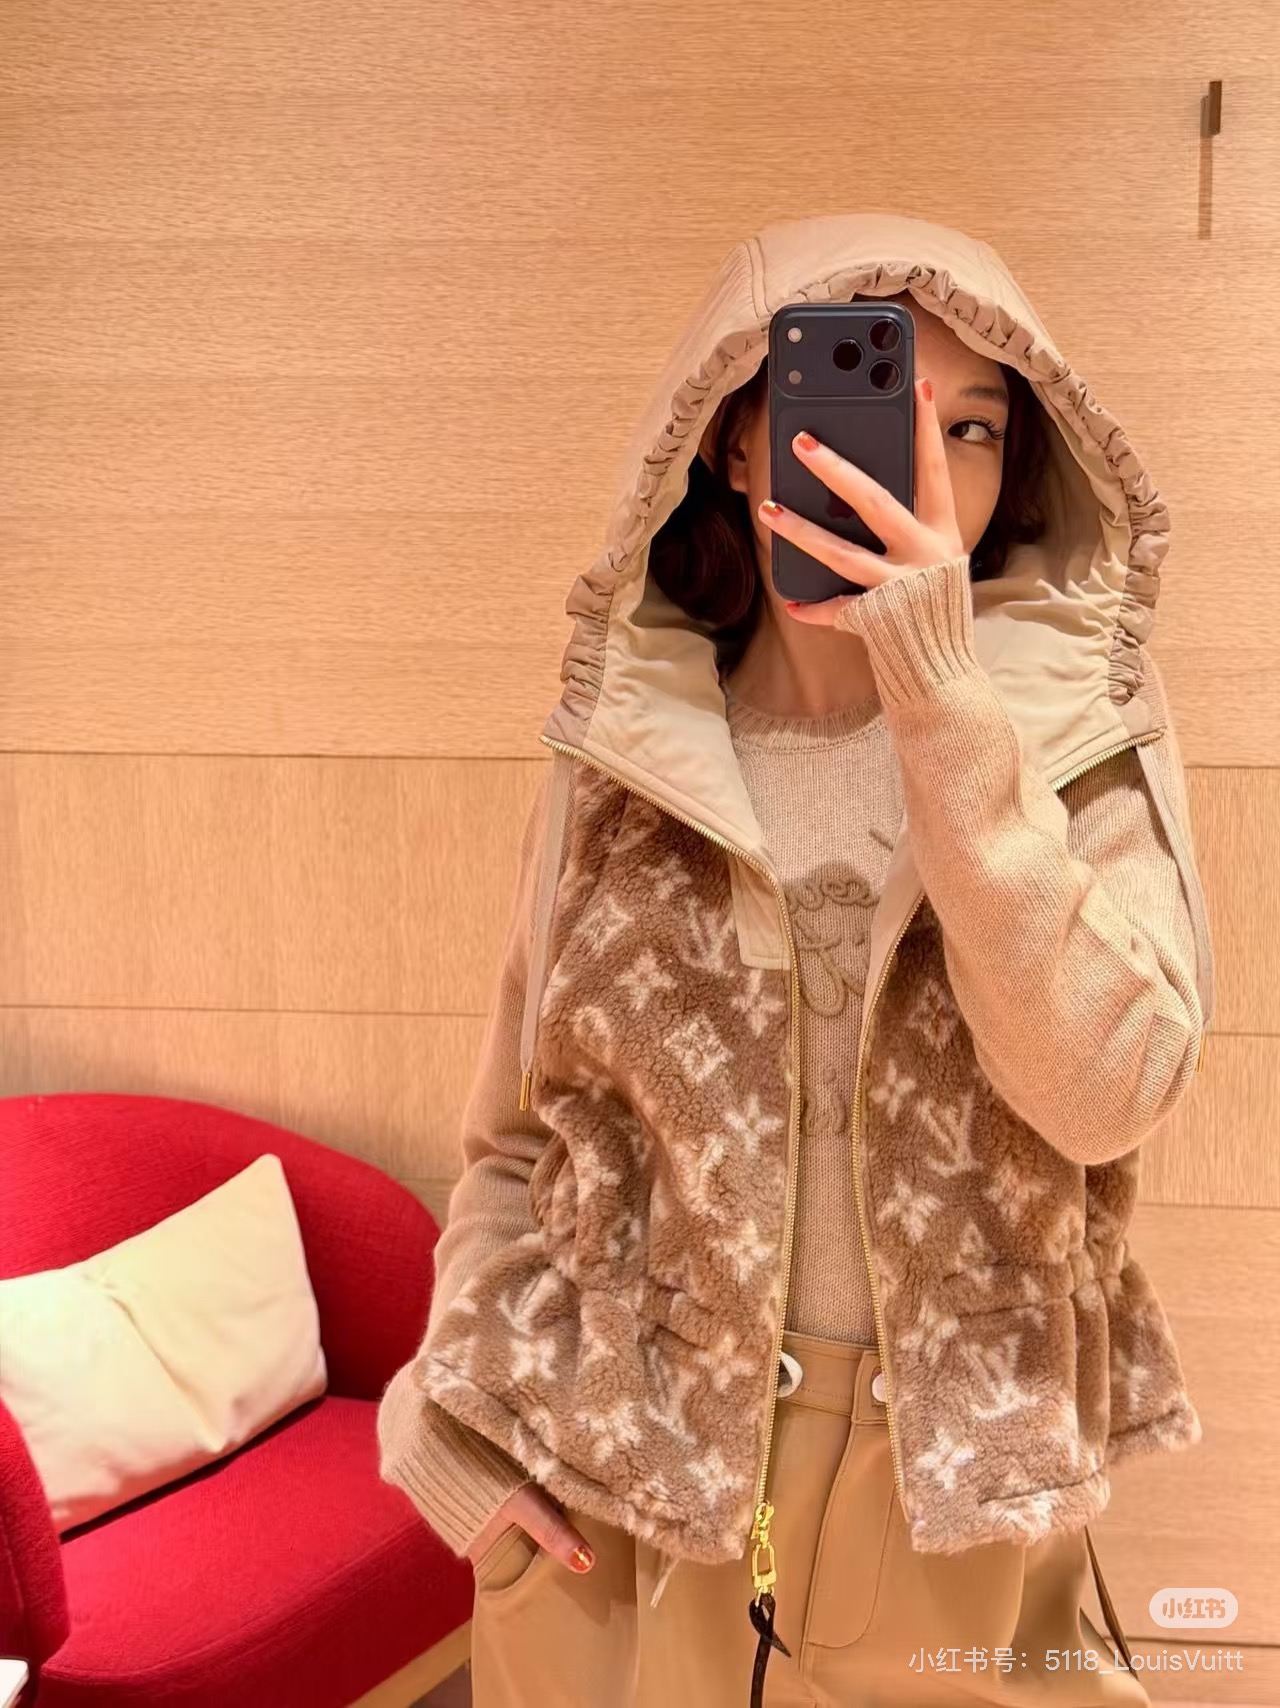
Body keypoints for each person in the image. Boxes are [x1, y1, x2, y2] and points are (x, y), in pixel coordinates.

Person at [376, 212, 1215, 1707]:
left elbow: (1108, 1093)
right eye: (867, 413)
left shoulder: (1080, 739)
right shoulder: (628, 749)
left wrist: (942, 700)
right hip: (616, 1512)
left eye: (971, 430)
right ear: (740, 440)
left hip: (952, 1511)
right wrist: (446, 1418)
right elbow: (515, 1135)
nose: (920, 472)